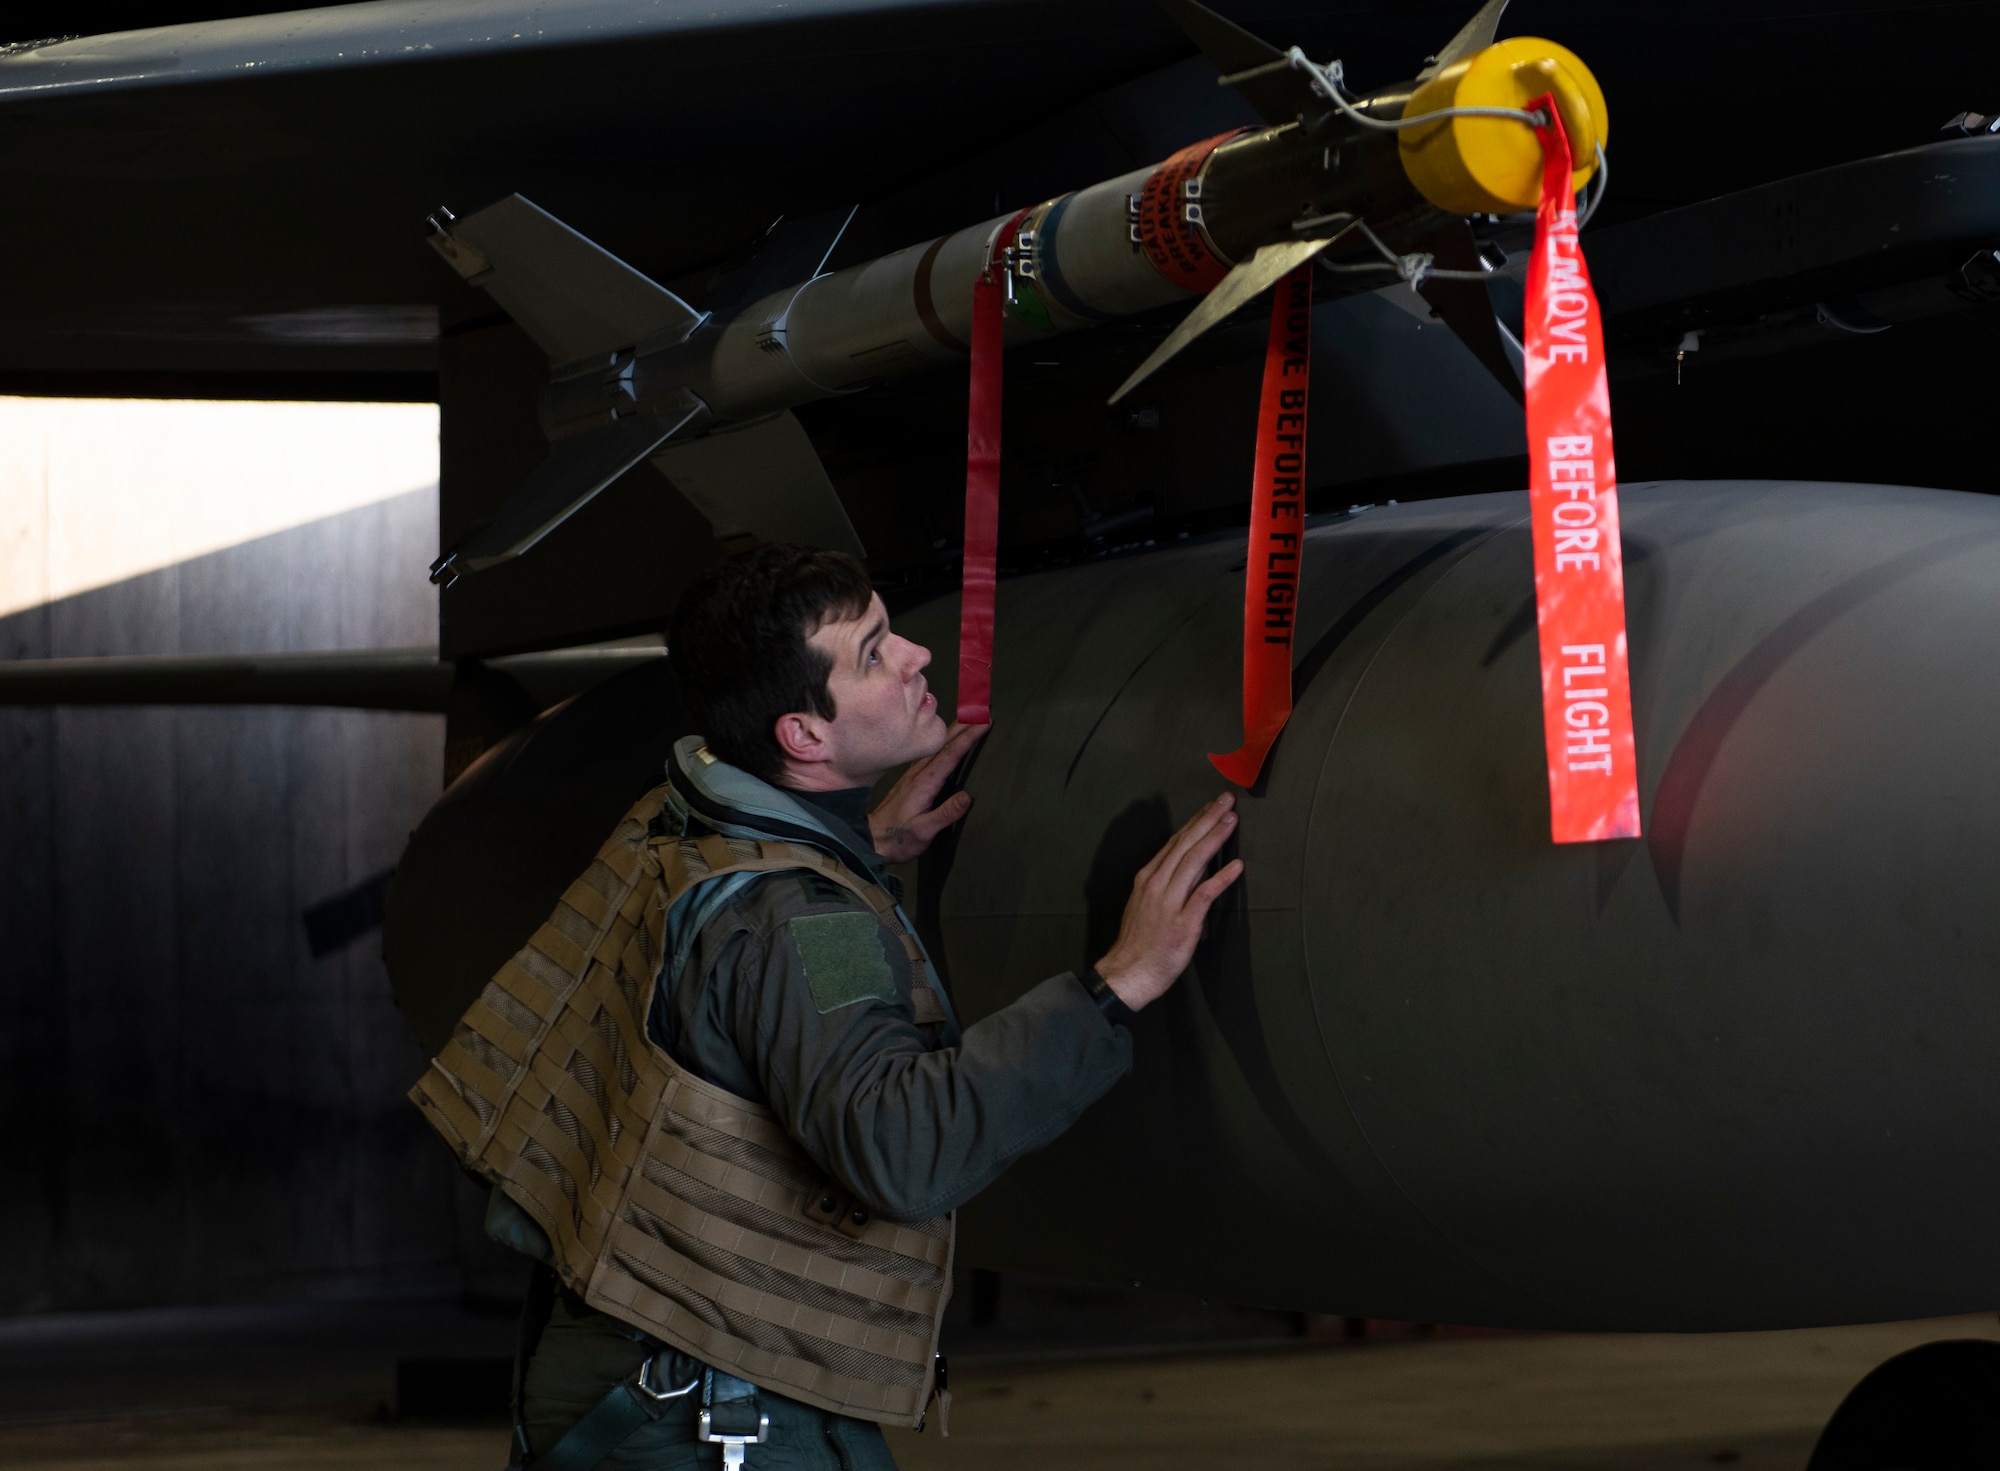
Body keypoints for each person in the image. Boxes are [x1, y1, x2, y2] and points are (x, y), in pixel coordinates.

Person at [478, 544, 1241, 1470]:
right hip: (702, 1407)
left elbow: (727, 944)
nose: (917, 655)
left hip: (627, 1365)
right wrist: (1121, 980)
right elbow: (898, 1143)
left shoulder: (678, 825)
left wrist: (858, 841)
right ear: (803, 736)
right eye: (874, 653)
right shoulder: (805, 917)